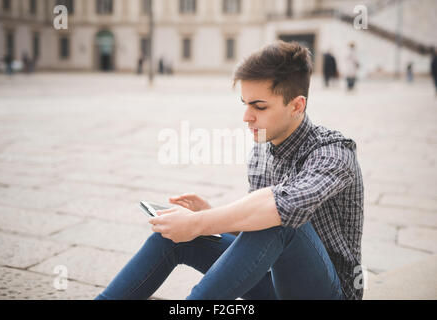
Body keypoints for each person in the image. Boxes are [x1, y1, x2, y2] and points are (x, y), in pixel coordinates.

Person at [95, 41, 364, 300]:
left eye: (259, 106)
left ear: (296, 106)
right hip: (272, 281)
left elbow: (281, 212)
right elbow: (258, 235)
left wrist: (197, 223)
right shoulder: (263, 147)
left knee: (277, 217)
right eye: (245, 104)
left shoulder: (334, 152)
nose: (247, 117)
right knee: (173, 236)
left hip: (326, 292)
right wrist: (208, 216)